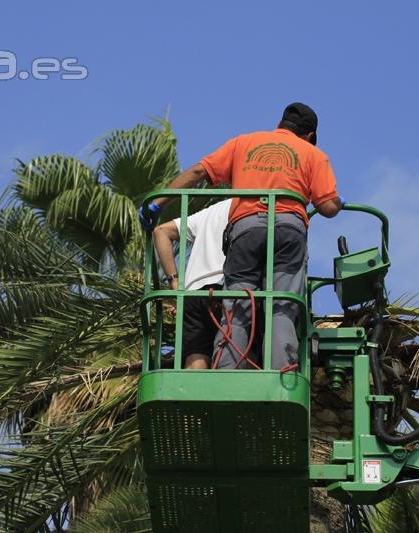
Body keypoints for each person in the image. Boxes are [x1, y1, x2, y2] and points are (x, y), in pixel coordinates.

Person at [140, 102, 343, 370]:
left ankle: (227, 369)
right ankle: (282, 371)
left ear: (280, 125)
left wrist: (157, 203)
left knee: (237, 303)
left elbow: (199, 172)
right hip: (288, 228)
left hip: (245, 228)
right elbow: (327, 207)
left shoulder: (243, 143)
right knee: (282, 304)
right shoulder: (314, 154)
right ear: (310, 136)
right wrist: (338, 201)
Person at [152, 199, 232, 369]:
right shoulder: (256, 207)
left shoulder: (212, 211)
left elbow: (161, 231)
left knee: (196, 361)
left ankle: (191, 395)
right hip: (231, 290)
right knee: (235, 357)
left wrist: (175, 282)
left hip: (194, 293)